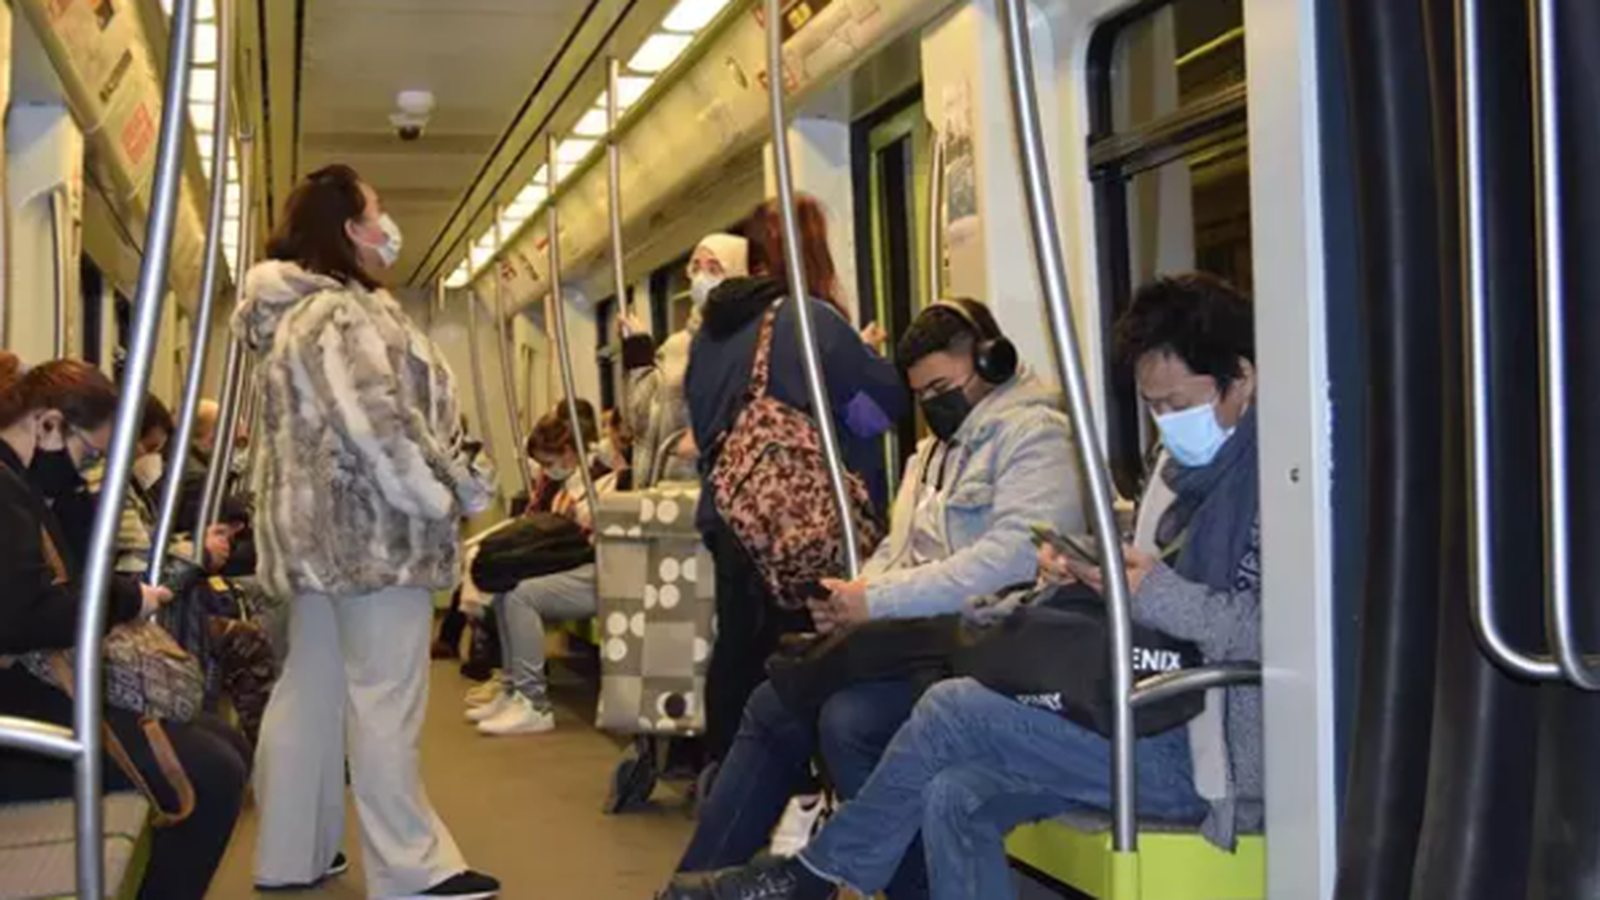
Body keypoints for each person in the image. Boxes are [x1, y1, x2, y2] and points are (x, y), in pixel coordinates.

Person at [660, 273, 1263, 900]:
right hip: (1151, 703)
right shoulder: (1174, 473)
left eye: (1176, 405)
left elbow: (1268, 632)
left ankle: (811, 876)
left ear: (1240, 377)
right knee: (954, 793)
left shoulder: (1277, 487)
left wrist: (1147, 587)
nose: (1165, 425)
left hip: (1204, 751)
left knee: (944, 708)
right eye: (1153, 408)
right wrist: (1092, 568)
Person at [673, 299, 1084, 899]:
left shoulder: (1037, 438)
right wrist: (852, 593)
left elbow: (1011, 559)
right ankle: (698, 885)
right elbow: (899, 548)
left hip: (990, 644)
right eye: (923, 395)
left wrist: (878, 600)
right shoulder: (933, 454)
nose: (934, 406)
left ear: (992, 362)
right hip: (922, 640)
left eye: (944, 387)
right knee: (780, 700)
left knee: (845, 719)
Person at [236, 164, 499, 900]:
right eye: (376, 212)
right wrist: (435, 500)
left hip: (314, 544)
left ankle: (291, 853)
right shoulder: (341, 317)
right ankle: (412, 869)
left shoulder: (289, 319)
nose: (387, 225)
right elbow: (377, 430)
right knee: (386, 698)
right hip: (374, 541)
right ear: (349, 229)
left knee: (310, 692)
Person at [0, 355, 251, 900]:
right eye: (87, 454)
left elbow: (83, 566)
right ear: (47, 424)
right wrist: (126, 599)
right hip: (14, 704)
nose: (86, 469)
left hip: (31, 682)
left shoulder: (26, 488)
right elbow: (21, 617)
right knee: (209, 772)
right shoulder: (5, 492)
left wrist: (72, 495)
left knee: (220, 739)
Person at [685, 195, 907, 762]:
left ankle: (726, 782)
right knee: (801, 660)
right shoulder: (808, 320)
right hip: (798, 519)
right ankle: (799, 794)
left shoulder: (707, 338)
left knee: (737, 651)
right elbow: (881, 409)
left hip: (732, 516)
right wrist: (860, 362)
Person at [465, 408, 619, 736]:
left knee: (522, 596)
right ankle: (512, 688)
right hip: (582, 563)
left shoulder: (610, 477)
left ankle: (533, 702)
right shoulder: (570, 484)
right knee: (507, 587)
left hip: (607, 570)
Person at [620, 233, 749, 486]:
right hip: (665, 484)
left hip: (721, 487)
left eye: (714, 268)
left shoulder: (748, 340)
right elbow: (639, 421)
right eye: (696, 267)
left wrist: (711, 438)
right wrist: (639, 354)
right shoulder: (675, 347)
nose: (702, 277)